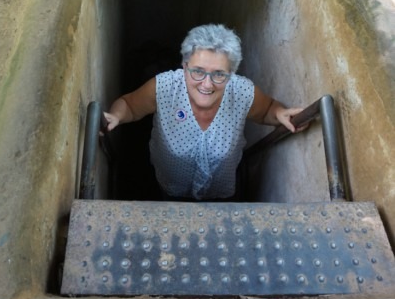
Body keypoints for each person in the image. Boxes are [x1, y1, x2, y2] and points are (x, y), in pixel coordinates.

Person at [104, 24, 304, 201]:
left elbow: (267, 109)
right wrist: (115, 117)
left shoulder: (241, 91)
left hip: (220, 193)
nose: (207, 84)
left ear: (231, 74)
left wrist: (279, 113)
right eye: (198, 71)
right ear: (184, 66)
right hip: (170, 189)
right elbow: (129, 105)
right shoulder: (165, 87)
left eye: (219, 74)